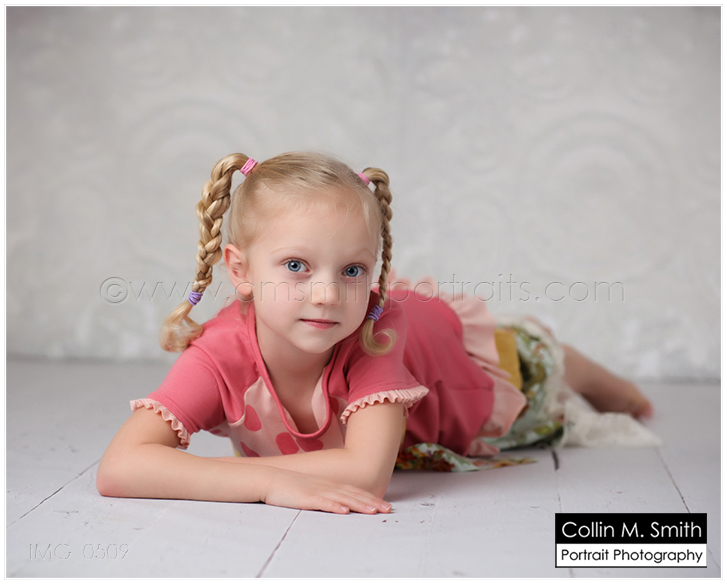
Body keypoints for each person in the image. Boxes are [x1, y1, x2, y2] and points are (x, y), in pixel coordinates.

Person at [97, 152, 653, 514]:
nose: (327, 294)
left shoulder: (372, 334)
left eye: (352, 270)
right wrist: (268, 485)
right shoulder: (220, 351)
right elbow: (120, 467)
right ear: (240, 271)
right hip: (417, 349)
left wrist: (240, 478)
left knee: (536, 371)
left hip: (461, 373)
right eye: (296, 265)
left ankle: (570, 361)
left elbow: (365, 474)